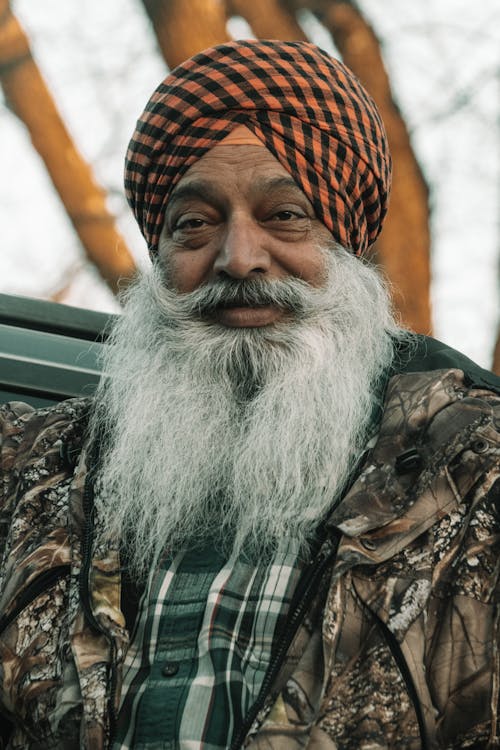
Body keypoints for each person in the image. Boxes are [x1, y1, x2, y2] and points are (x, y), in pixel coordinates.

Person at [0, 40, 498, 750]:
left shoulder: (477, 470)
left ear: (345, 242)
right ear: (160, 253)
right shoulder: (27, 473)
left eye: (286, 214)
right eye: (194, 224)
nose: (238, 258)